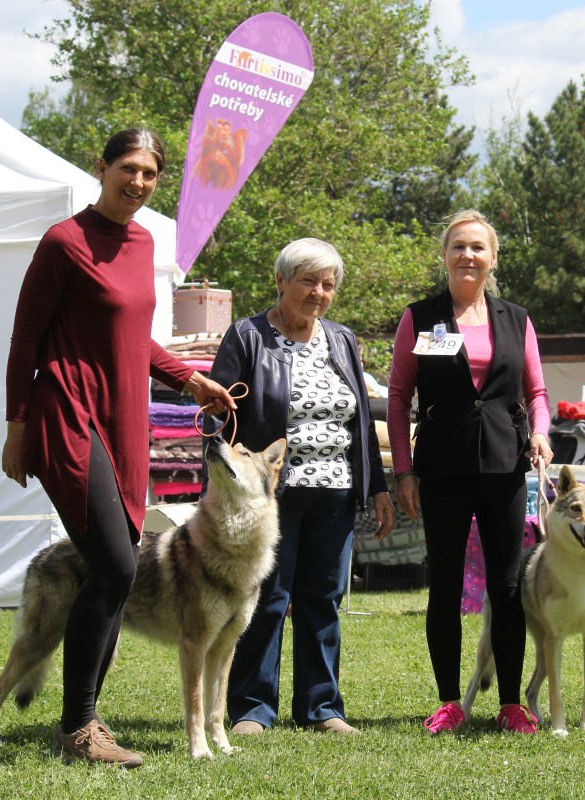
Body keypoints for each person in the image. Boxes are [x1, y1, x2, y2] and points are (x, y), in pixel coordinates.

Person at [2, 128, 237, 767]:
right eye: (127, 169)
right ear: (101, 168)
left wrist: (191, 378)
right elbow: (25, 341)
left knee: (116, 567)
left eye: (150, 173)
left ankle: (86, 722)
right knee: (115, 564)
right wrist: (17, 428)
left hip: (124, 422)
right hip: (66, 418)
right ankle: (78, 728)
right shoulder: (64, 242)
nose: (138, 182)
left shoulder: (142, 242)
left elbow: (137, 340)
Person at [206, 238, 396, 736]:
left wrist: (376, 486)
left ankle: (321, 707)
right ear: (281, 282)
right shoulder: (247, 337)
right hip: (269, 498)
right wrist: (232, 479)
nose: (317, 292)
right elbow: (214, 419)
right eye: (307, 280)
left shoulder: (341, 340)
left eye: (327, 284)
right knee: (266, 597)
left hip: (336, 490)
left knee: (323, 598)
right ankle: (252, 708)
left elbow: (360, 423)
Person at [388, 209, 554, 735]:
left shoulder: (516, 319)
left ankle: (510, 703)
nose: (468, 256)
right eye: (458, 246)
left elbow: (537, 392)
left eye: (478, 247)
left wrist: (542, 432)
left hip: (505, 466)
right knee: (446, 583)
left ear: (493, 257)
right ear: (445, 254)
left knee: (507, 585)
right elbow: (397, 397)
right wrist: (405, 471)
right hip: (441, 468)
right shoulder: (422, 317)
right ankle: (447, 701)